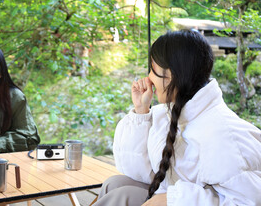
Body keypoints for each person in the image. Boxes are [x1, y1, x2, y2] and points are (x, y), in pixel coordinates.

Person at [94, 30, 261, 206]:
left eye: (153, 69)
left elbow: (247, 201)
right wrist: (141, 111)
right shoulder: (168, 115)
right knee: (116, 184)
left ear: (174, 74)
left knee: (123, 196)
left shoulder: (226, 137)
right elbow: (137, 172)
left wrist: (173, 200)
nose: (149, 77)